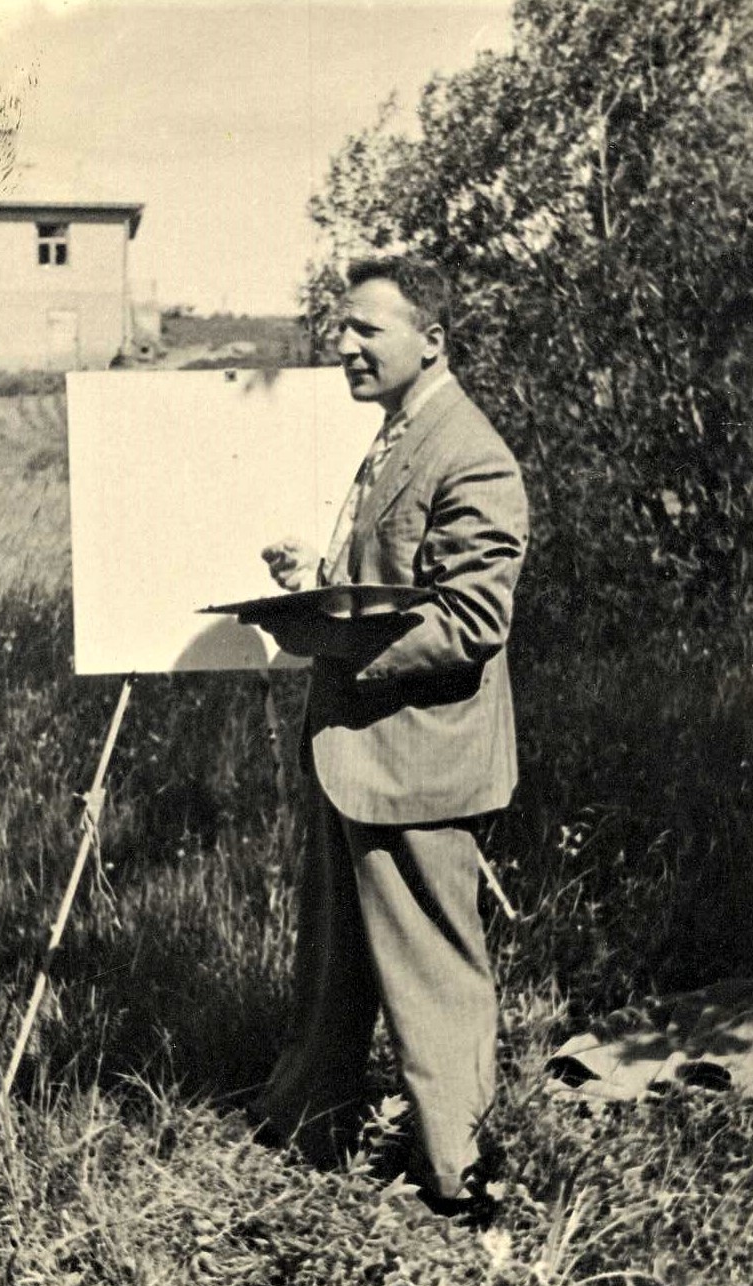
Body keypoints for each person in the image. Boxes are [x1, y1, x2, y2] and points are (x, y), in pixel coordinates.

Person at [248, 255, 529, 1213]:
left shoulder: (471, 452)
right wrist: (318, 578)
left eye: (367, 328)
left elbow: (471, 619)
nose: (344, 344)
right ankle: (307, 1126)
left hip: (419, 761)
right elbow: (397, 575)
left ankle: (462, 1180)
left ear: (432, 340)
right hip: (360, 751)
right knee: (335, 961)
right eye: (342, 327)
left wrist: (332, 639)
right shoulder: (402, 433)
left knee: (433, 975)